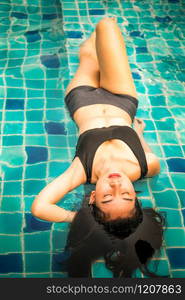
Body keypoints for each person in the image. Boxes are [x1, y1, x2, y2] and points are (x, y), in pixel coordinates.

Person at [31, 17, 166, 277]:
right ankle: (97, 40)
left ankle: (90, 48)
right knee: (107, 25)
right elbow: (144, 147)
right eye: (126, 196)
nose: (116, 186)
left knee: (89, 57)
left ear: (92, 198)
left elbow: (40, 207)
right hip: (122, 98)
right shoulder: (148, 165)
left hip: (81, 98)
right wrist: (138, 133)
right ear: (136, 196)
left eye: (106, 197)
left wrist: (83, 222)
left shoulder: (82, 171)